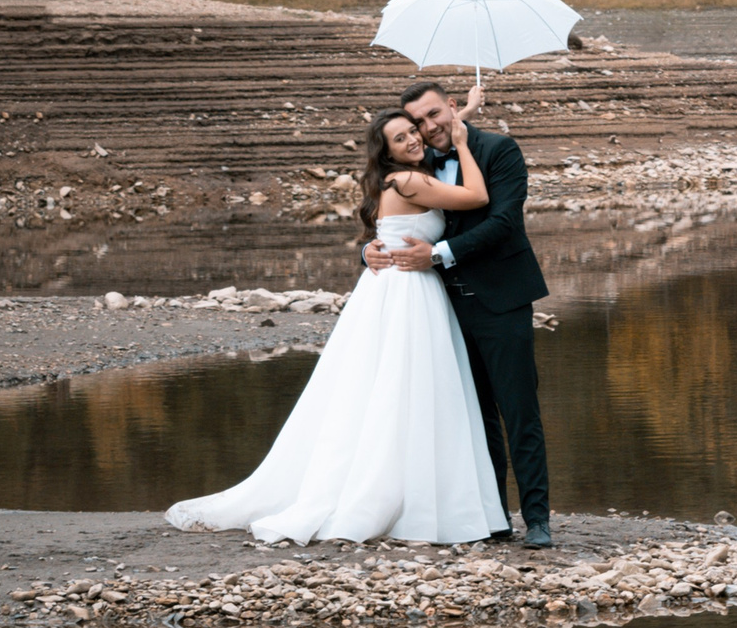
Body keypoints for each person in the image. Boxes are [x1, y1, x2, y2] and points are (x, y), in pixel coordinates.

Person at [165, 100, 505, 544]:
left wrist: (464, 112)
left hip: (401, 288)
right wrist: (461, 143)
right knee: (403, 388)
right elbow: (478, 197)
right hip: (406, 292)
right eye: (400, 138)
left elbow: (383, 229)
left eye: (413, 131)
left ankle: (416, 491)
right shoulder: (406, 180)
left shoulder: (407, 176)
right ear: (386, 152)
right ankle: (396, 496)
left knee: (393, 389)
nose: (413, 139)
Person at [368, 79, 552, 550]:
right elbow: (394, 219)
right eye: (418, 123)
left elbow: (503, 221)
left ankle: (537, 520)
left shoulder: (500, 150)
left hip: (502, 300)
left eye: (434, 116)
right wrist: (369, 251)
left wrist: (439, 253)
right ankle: (491, 518)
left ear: (452, 108)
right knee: (471, 417)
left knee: (519, 412)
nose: (427, 128)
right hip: (441, 309)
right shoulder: (418, 163)